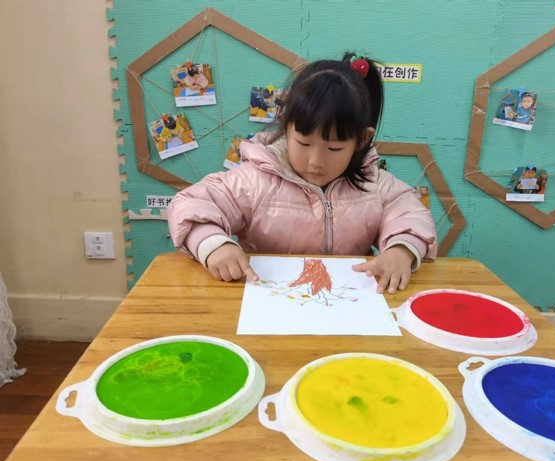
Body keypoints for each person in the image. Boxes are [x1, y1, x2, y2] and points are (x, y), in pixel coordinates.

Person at [167, 52, 437, 294]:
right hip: (266, 301)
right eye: (304, 144)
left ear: (362, 140)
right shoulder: (254, 180)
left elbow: (410, 213)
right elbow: (190, 204)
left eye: (334, 148)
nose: (315, 161)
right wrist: (214, 244)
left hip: (346, 305)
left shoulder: (374, 183)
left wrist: (401, 250)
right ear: (286, 129)